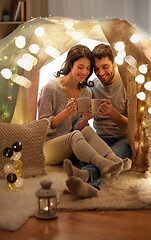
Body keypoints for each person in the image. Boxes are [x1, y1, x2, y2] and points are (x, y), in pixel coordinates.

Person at [38, 44, 130, 199]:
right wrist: (66, 112)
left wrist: (86, 119)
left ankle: (106, 164)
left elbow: (77, 127)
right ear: (70, 64)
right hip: (49, 146)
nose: (85, 72)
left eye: (88, 68)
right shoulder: (51, 87)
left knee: (86, 130)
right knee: (76, 135)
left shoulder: (86, 92)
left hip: (71, 146)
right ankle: (104, 163)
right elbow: (42, 127)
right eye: (81, 67)